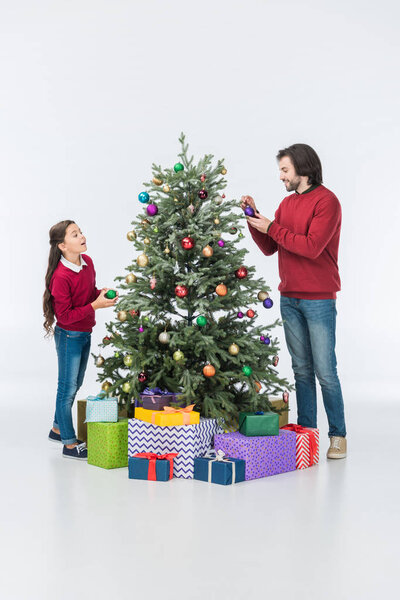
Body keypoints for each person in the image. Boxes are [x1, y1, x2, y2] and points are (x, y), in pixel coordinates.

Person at [241, 143, 347, 459]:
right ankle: (307, 434)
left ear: (302, 169)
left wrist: (272, 227)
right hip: (289, 298)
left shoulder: (327, 202)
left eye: (285, 170)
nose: (281, 176)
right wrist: (254, 220)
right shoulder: (287, 204)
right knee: (301, 370)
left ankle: (338, 435)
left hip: (318, 299)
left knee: (325, 371)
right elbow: (271, 246)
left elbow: (312, 247)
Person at [43, 220, 118, 460]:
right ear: (63, 246)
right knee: (66, 389)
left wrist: (100, 295)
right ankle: (68, 443)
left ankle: (57, 427)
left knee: (75, 385)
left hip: (85, 332)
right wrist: (95, 305)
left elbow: (88, 294)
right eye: (75, 235)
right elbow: (64, 315)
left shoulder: (88, 264)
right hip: (69, 336)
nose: (82, 236)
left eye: (81, 232)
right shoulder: (61, 277)